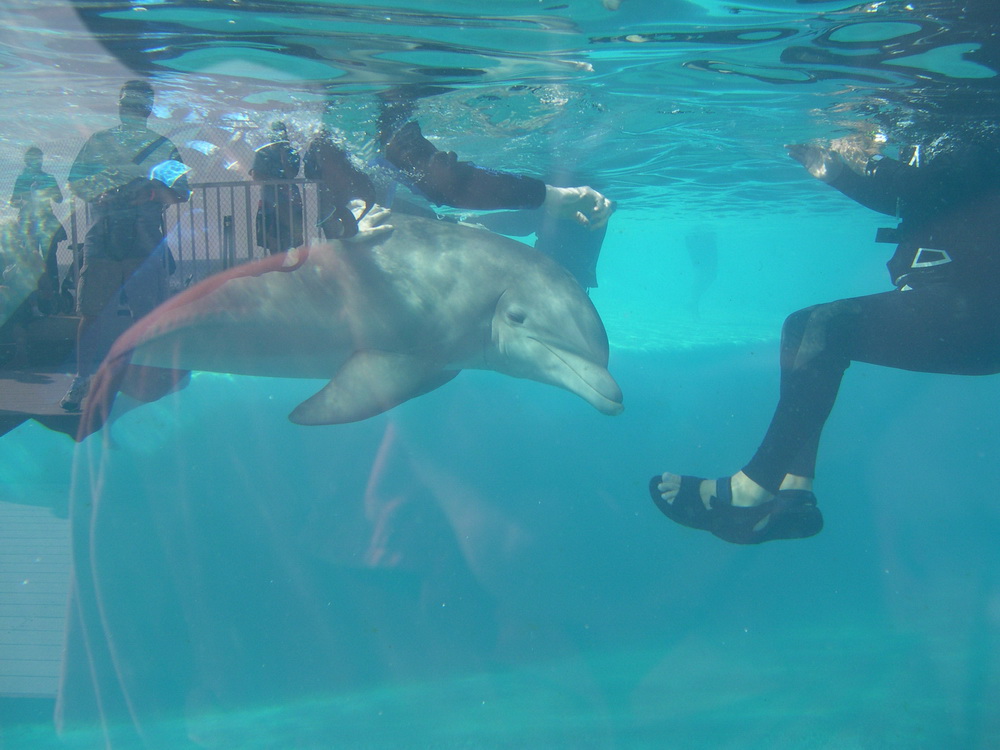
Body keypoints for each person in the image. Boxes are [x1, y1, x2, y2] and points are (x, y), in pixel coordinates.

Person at [650, 137, 1000, 544]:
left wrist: (867, 158)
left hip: (981, 316)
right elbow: (915, 199)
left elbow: (936, 185)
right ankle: (792, 494)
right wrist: (838, 175)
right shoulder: (946, 135)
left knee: (829, 327)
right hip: (966, 309)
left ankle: (750, 490)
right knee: (803, 327)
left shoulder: (976, 125)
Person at [59, 79, 191, 412]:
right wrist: (106, 189)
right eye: (128, 104)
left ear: (146, 109)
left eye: (136, 105)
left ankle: (145, 374)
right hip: (105, 240)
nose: (131, 110)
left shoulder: (161, 145)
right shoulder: (101, 142)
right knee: (92, 313)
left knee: (144, 314)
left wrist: (147, 191)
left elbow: (182, 192)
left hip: (140, 242)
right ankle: (83, 378)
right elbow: (76, 182)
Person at [10, 146, 67, 293]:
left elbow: (59, 198)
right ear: (27, 161)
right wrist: (25, 200)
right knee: (31, 258)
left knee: (49, 259)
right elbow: (13, 201)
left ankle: (53, 293)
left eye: (39, 158)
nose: (37, 162)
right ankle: (34, 295)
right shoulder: (22, 179)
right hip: (29, 223)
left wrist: (48, 190)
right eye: (34, 159)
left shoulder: (48, 178)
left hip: (45, 222)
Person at [303, 126, 376, 239]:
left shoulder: (353, 174)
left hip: (338, 199)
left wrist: (358, 218)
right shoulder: (315, 171)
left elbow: (370, 198)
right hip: (331, 199)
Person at [251, 121, 304, 254]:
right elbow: (256, 175)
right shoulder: (262, 153)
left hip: (290, 200)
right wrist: (277, 182)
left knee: (291, 235)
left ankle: (290, 264)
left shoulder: (292, 152)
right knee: (271, 234)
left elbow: (291, 174)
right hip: (270, 200)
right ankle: (276, 262)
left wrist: (284, 156)